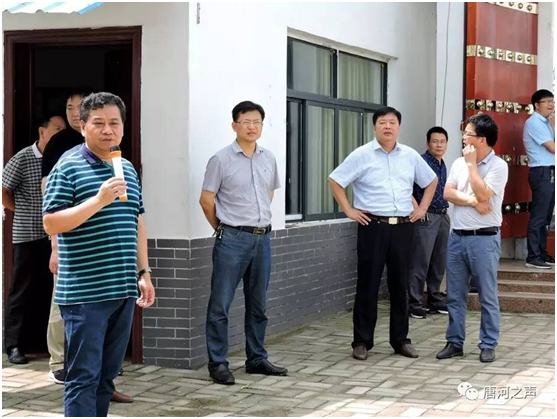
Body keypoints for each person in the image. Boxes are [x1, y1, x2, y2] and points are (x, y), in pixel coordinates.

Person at [42, 92, 155, 416]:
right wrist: (98, 200)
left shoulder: (126, 168)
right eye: (99, 123)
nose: (108, 130)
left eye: (114, 123)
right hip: (85, 295)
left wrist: (144, 272)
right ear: (82, 126)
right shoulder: (68, 166)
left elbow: (137, 221)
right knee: (83, 377)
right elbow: (51, 222)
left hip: (122, 290)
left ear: (123, 127)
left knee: (107, 376)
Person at [328, 106, 438, 361]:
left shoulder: (409, 155)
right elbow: (335, 179)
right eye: (382, 122)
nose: (387, 126)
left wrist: (422, 208)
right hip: (372, 226)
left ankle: (400, 340)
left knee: (400, 283)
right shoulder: (362, 155)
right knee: (368, 283)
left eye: (392, 122)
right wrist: (348, 209)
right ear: (374, 126)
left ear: (398, 127)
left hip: (403, 226)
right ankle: (362, 341)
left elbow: (431, 181)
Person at [200, 100, 287, 385]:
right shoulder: (221, 159)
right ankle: (218, 363)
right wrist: (223, 228)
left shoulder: (268, 158)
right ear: (234, 125)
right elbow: (206, 199)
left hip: (262, 239)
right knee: (220, 304)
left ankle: (256, 358)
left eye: (257, 122)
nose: (252, 127)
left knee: (258, 304)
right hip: (232, 239)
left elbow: (268, 193)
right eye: (246, 121)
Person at [436, 113, 508, 363]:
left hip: (484, 239)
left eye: (468, 134)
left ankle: (488, 344)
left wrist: (471, 166)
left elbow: (484, 193)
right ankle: (454, 342)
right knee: (455, 295)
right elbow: (448, 193)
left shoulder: (498, 166)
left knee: (487, 295)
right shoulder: (457, 163)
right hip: (457, 237)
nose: (464, 138)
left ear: (481, 140)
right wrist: (473, 202)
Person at [2, 114, 66, 364]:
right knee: (22, 289)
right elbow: (3, 190)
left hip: (55, 234)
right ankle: (14, 345)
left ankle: (44, 343)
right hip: (28, 235)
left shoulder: (61, 157)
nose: (61, 134)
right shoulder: (23, 158)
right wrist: (22, 210)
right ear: (42, 132)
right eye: (57, 129)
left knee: (47, 289)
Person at [41, 91, 85, 385]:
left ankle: (94, 360)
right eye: (69, 107)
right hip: (66, 236)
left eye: (79, 106)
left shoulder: (107, 145)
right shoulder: (58, 144)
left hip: (97, 238)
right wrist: (55, 244)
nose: (74, 112)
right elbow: (49, 197)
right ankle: (58, 361)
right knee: (61, 301)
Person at [408, 127, 450, 319]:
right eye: (435, 141)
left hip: (442, 216)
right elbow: (406, 187)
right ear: (427, 143)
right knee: (420, 261)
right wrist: (418, 208)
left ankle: (435, 300)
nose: (439, 145)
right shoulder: (421, 161)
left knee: (438, 261)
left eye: (442, 141)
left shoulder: (442, 164)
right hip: (426, 218)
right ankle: (414, 303)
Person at [523, 89, 555, 269]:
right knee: (539, 215)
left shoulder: (546, 122)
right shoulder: (534, 122)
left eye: (552, 101)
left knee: (546, 216)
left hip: (549, 171)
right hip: (541, 172)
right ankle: (533, 256)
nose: (551, 104)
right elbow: (552, 148)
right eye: (547, 101)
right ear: (536, 105)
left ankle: (542, 253)